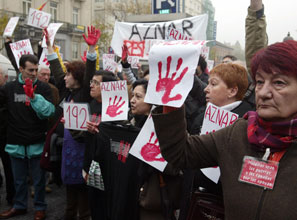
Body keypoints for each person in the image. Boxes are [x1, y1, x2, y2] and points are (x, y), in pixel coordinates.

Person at [152, 40, 297, 220]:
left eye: (279, 83)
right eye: (260, 82)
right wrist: (170, 100)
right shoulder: (238, 133)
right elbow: (181, 153)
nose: (264, 92)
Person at [45, 26, 100, 220]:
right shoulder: (66, 91)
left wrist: (92, 51)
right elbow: (56, 69)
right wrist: (50, 48)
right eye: (66, 74)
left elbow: (90, 71)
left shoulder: (83, 93)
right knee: (69, 203)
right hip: (67, 153)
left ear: (77, 78)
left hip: (82, 152)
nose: (65, 77)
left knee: (84, 207)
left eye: (69, 74)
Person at [0, 54, 55, 220]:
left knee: (38, 181)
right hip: (16, 142)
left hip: (36, 141)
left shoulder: (44, 88)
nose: (34, 73)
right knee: (18, 180)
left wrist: (34, 98)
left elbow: (49, 112)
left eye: (36, 69)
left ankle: (40, 207)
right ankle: (19, 206)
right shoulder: (9, 88)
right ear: (21, 69)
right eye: (30, 70)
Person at [0, 65, 15, 206]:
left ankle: (12, 196)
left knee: (9, 168)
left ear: (4, 77)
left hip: (6, 136)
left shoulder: (9, 91)